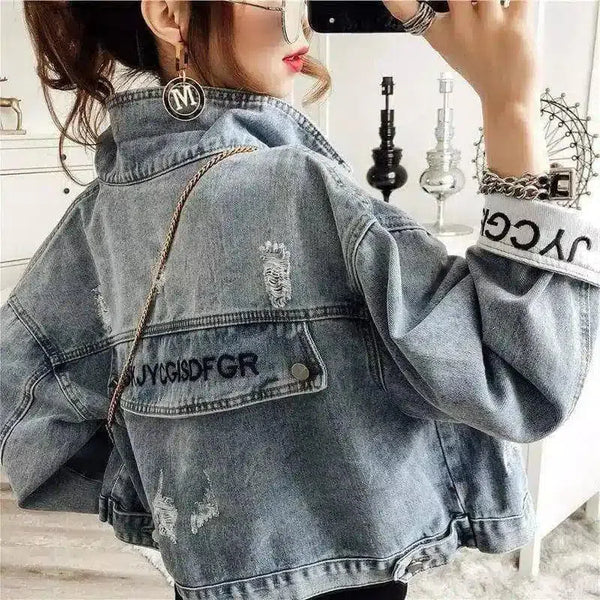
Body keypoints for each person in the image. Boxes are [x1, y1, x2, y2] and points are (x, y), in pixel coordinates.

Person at [3, 1, 598, 600]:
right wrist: (511, 105)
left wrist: (167, 489)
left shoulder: (96, 219)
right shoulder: (300, 192)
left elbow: (26, 412)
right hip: (349, 580)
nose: (304, 22)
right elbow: (520, 378)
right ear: (170, 14)